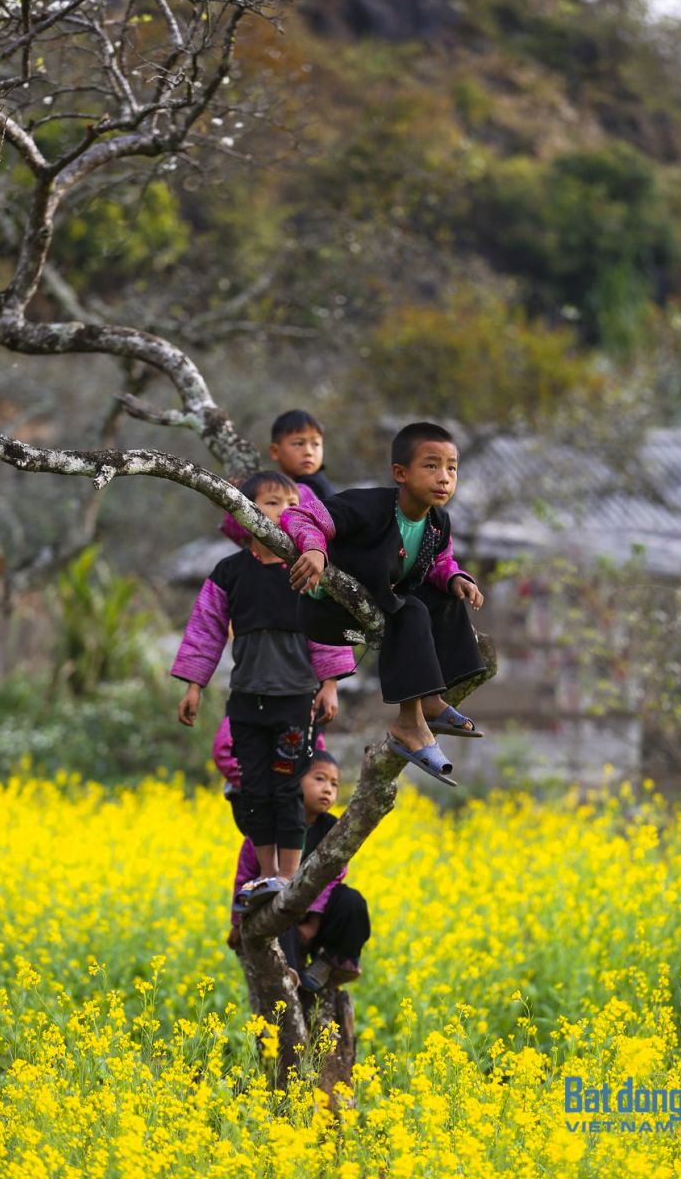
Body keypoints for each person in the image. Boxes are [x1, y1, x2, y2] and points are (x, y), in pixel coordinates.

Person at [172, 470, 355, 907]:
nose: (286, 511)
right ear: (247, 512)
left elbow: (326, 632)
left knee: (288, 787)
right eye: (273, 502)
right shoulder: (229, 572)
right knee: (253, 789)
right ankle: (267, 875)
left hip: (295, 701)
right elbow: (205, 630)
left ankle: (288, 877)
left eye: (294, 503)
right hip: (246, 703)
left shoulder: (307, 568)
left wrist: (329, 685)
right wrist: (194, 686)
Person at [281, 422, 485, 786]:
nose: (444, 477)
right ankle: (409, 721)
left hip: (382, 602)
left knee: (444, 598)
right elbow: (299, 515)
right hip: (330, 612)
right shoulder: (368, 506)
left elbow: (438, 563)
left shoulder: (438, 522)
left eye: (452, 468)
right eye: (431, 466)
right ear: (400, 473)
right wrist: (314, 548)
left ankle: (432, 701)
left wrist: (456, 578)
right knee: (411, 610)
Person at [225, 743, 371, 991]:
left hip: (319, 912)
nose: (327, 789)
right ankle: (288, 974)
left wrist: (313, 922)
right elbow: (245, 874)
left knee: (352, 902)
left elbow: (333, 878)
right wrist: (237, 922)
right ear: (294, 781)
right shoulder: (269, 823)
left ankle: (332, 962)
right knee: (280, 908)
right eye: (320, 779)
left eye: (334, 784)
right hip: (281, 911)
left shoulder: (334, 829)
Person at [220, 408, 334, 549]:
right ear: (275, 451)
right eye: (299, 443)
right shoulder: (280, 484)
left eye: (315, 444)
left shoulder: (312, 487)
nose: (309, 452)